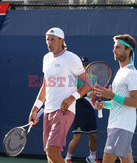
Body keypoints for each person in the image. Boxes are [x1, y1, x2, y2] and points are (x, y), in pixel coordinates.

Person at [28, 27, 90, 163]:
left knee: (52, 150)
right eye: (47, 40)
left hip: (64, 110)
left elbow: (87, 84)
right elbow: (45, 85)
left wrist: (72, 97)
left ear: (61, 41)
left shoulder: (71, 58)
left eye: (53, 40)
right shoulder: (46, 59)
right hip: (48, 111)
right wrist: (35, 109)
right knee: (49, 154)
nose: (49, 43)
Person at [94, 34, 137, 163]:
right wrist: (105, 104)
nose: (114, 50)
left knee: (107, 159)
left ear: (128, 50)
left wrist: (112, 95)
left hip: (122, 125)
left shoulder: (131, 74)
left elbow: (136, 103)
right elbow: (118, 101)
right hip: (116, 124)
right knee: (126, 160)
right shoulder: (120, 72)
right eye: (114, 47)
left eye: (118, 47)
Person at [65, 56, 99, 163]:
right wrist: (86, 95)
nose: (84, 67)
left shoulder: (93, 77)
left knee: (93, 136)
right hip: (78, 109)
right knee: (77, 137)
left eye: (86, 65)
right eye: (82, 65)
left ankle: (92, 158)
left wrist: (95, 94)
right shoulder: (73, 77)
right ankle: (68, 159)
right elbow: (72, 95)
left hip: (90, 110)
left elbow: (95, 92)